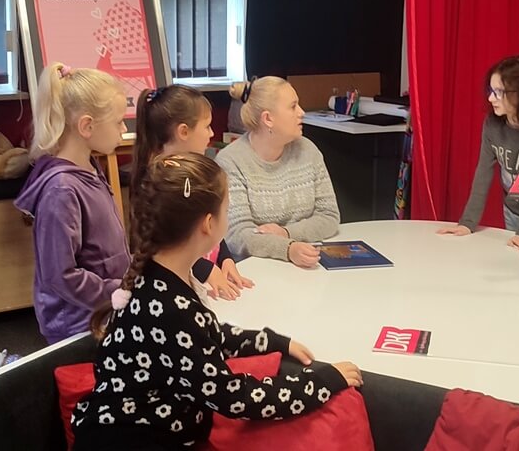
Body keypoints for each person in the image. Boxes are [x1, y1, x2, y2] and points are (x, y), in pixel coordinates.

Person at [72, 153, 362, 450]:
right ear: (208, 224)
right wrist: (321, 382)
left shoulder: (157, 277)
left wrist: (271, 341)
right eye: (227, 208)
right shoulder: (172, 308)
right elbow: (235, 397)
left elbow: (205, 337)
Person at [15, 63, 131, 343]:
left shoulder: (90, 168)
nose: (124, 129)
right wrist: (116, 291)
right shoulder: (61, 190)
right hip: (78, 324)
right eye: (118, 122)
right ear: (87, 126)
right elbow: (61, 275)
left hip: (105, 307)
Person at [131, 84, 253, 300]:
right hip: (179, 290)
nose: (212, 133)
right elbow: (163, 247)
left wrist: (225, 258)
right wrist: (204, 269)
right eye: (207, 127)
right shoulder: (158, 183)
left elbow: (212, 218)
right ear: (183, 131)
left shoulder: (196, 169)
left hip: (209, 285)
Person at [438, 55, 519, 248]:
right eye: (490, 90)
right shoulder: (493, 125)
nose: (490, 98)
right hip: (512, 210)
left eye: (498, 92)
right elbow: (483, 173)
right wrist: (467, 223)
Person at [216, 76, 339, 267]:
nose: (302, 112)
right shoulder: (230, 161)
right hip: (255, 270)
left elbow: (329, 216)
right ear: (268, 119)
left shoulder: (308, 150)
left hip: (306, 261)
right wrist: (287, 248)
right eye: (293, 106)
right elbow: (237, 234)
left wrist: (286, 233)